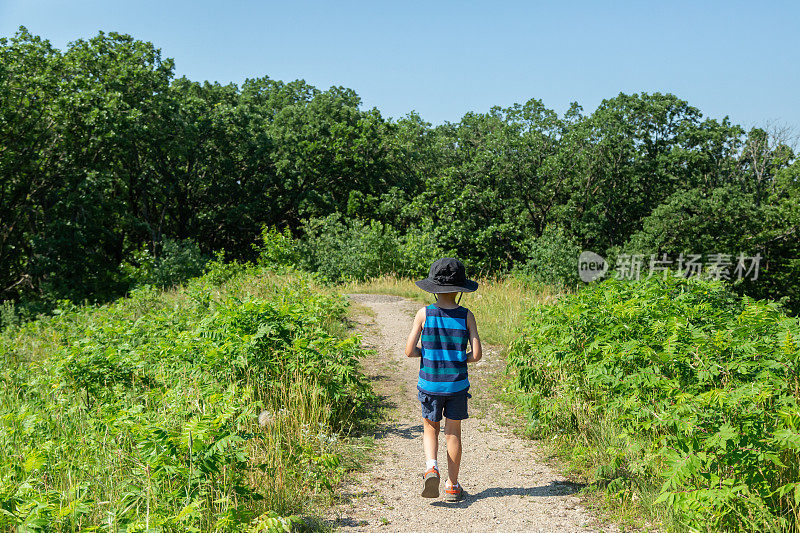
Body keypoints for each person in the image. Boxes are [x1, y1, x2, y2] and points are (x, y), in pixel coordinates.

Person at [404, 257, 482, 502]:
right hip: (456, 385)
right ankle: (452, 485)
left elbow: (409, 350)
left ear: (433, 287)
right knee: (453, 432)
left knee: (430, 427)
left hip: (430, 383)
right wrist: (458, 359)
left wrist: (426, 354)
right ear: (460, 290)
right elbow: (477, 355)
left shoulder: (424, 313)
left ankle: (431, 468)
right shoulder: (466, 316)